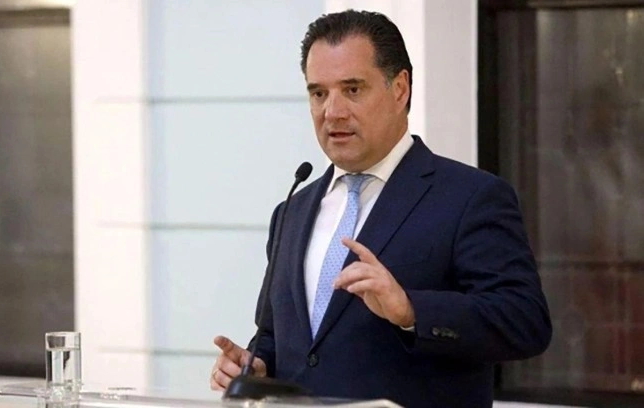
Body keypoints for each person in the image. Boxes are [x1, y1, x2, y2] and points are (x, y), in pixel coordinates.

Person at [210, 9, 551, 408]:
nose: (332, 111)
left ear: (399, 89)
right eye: (318, 93)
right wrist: (256, 366)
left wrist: (410, 311)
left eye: (353, 89)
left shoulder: (470, 197)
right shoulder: (292, 210)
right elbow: (276, 336)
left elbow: (525, 322)